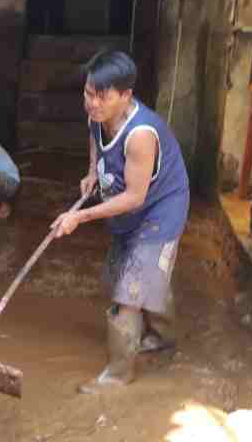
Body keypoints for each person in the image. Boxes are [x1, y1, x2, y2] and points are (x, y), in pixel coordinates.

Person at [50, 50, 190, 393]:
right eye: (88, 93)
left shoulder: (141, 135)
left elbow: (134, 197)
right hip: (130, 208)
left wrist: (79, 216)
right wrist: (92, 173)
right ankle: (162, 333)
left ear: (126, 95)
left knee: (128, 293)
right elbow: (96, 141)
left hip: (159, 209)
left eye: (102, 97)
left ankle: (117, 376)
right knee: (121, 276)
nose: (93, 103)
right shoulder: (97, 115)